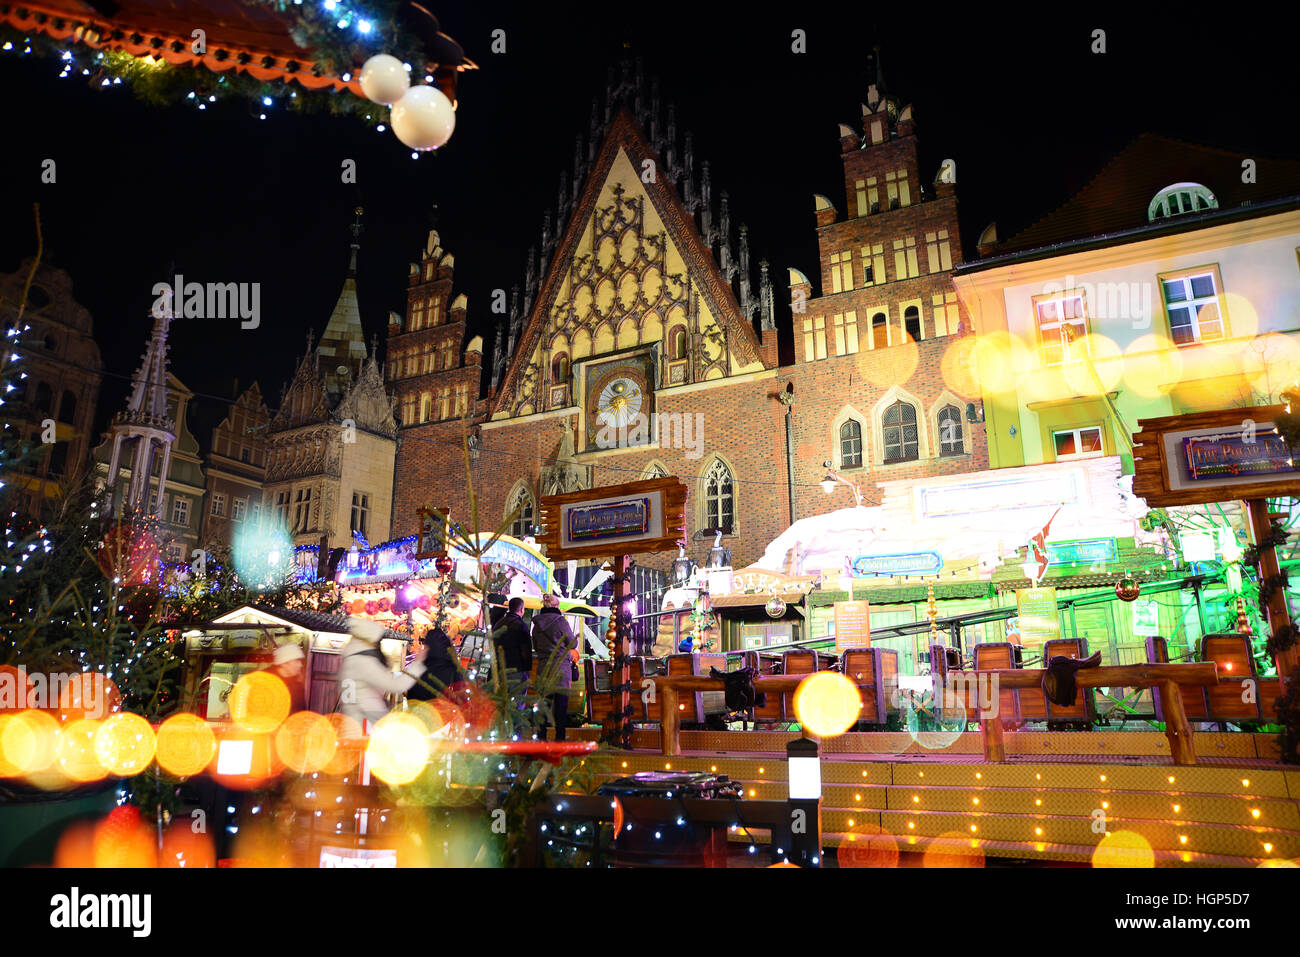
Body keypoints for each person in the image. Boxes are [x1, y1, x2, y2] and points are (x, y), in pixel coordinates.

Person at [338, 617, 427, 726]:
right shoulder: (363, 662)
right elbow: (396, 685)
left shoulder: (352, 660)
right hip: (366, 720)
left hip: (355, 718)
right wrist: (417, 663)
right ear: (369, 640)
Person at [531, 593, 577, 741]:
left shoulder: (537, 625)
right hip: (561, 669)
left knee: (544, 706)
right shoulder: (561, 622)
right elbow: (573, 644)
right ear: (557, 606)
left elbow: (536, 646)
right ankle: (560, 739)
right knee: (561, 708)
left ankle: (541, 738)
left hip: (544, 668)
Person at [406, 624, 459, 701]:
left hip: (419, 709)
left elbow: (409, 687)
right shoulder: (452, 666)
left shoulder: (421, 666)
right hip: (441, 710)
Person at [493, 597, 533, 688]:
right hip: (516, 669)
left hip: (500, 667)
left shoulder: (499, 623)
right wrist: (528, 669)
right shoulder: (521, 625)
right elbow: (526, 649)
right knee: (517, 698)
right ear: (522, 609)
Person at [269, 643, 307, 714]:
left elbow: (300, 713)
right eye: (296, 661)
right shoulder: (264, 683)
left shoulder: (298, 687)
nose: (300, 665)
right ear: (284, 663)